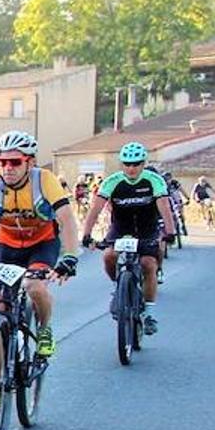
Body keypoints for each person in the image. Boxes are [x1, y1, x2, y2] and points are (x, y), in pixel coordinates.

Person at [0, 130, 78, 410]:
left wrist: (70, 256)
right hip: (7, 246)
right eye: (2, 162)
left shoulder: (45, 180)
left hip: (42, 244)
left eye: (15, 162)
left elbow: (66, 219)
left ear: (29, 162)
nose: (7, 168)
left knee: (33, 285)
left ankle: (44, 329)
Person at [79, 142, 177, 335]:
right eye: (127, 164)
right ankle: (119, 288)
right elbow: (95, 209)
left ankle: (149, 314)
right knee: (108, 256)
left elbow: (164, 207)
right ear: (122, 164)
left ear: (143, 164)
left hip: (146, 229)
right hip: (120, 228)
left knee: (149, 264)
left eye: (136, 164)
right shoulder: (112, 181)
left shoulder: (153, 180)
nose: (131, 168)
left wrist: (170, 232)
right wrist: (86, 234)